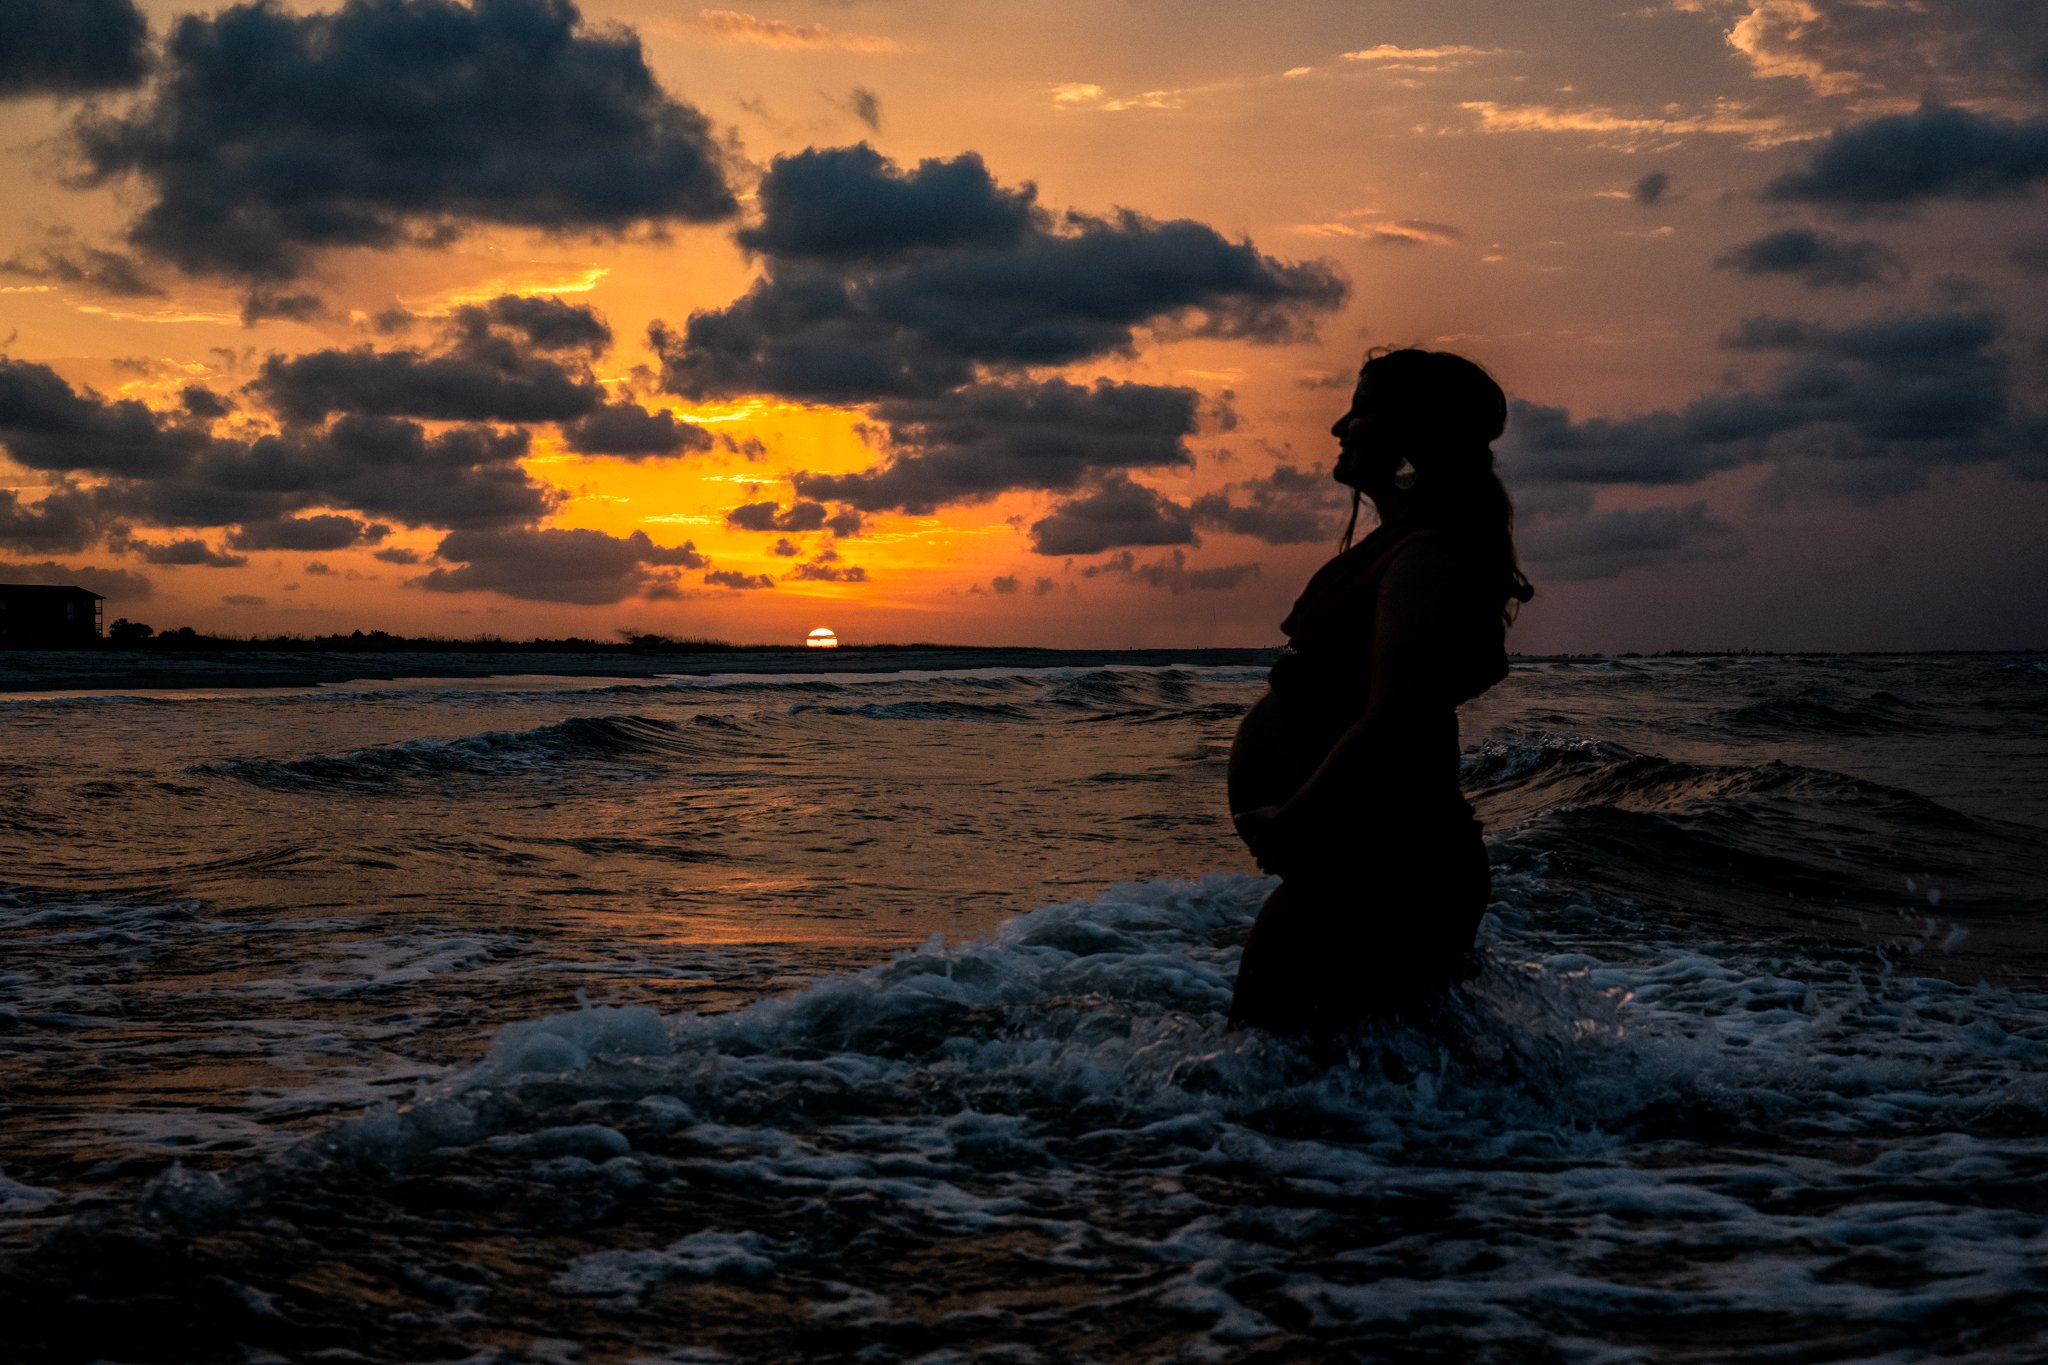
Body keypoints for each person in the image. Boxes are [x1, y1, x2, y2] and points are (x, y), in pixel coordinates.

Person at [1226, 347, 1533, 1034]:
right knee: (1331, 1092)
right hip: (1367, 862)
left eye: (1359, 408)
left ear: (1408, 434)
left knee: (1272, 1092)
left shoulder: (1424, 560)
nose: (1340, 424)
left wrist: (1292, 819)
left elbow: (1395, 719)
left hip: (1386, 869)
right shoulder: (1410, 549)